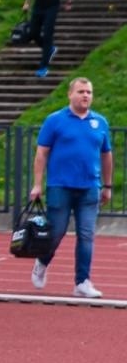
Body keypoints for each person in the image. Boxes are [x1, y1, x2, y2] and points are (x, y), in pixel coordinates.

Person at [28, 77, 113, 299]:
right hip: (60, 186)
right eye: (81, 91)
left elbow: (106, 155)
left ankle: (82, 281)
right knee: (56, 232)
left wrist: (107, 185)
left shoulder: (100, 122)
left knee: (86, 235)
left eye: (89, 92)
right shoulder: (55, 120)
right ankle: (42, 262)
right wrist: (37, 184)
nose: (85, 95)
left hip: (89, 187)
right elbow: (41, 153)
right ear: (70, 94)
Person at [23, 0, 73, 79]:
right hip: (38, 6)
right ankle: (49, 48)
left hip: (52, 5)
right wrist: (27, 2)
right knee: (33, 32)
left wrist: (68, 0)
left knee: (47, 34)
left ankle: (43, 67)